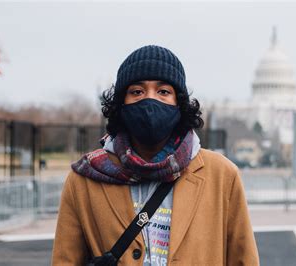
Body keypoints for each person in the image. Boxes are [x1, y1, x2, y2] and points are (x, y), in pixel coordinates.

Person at [51, 45, 259, 265]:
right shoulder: (83, 180)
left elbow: (243, 259)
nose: (150, 101)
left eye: (163, 92)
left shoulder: (222, 175)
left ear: (179, 103)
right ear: (121, 104)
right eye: (137, 92)